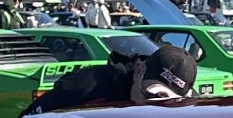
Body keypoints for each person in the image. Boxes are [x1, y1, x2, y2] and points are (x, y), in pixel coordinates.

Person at [30, 35, 199, 111]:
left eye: (167, 101)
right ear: (139, 70)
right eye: (150, 95)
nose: (156, 106)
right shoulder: (83, 87)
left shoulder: (188, 110)